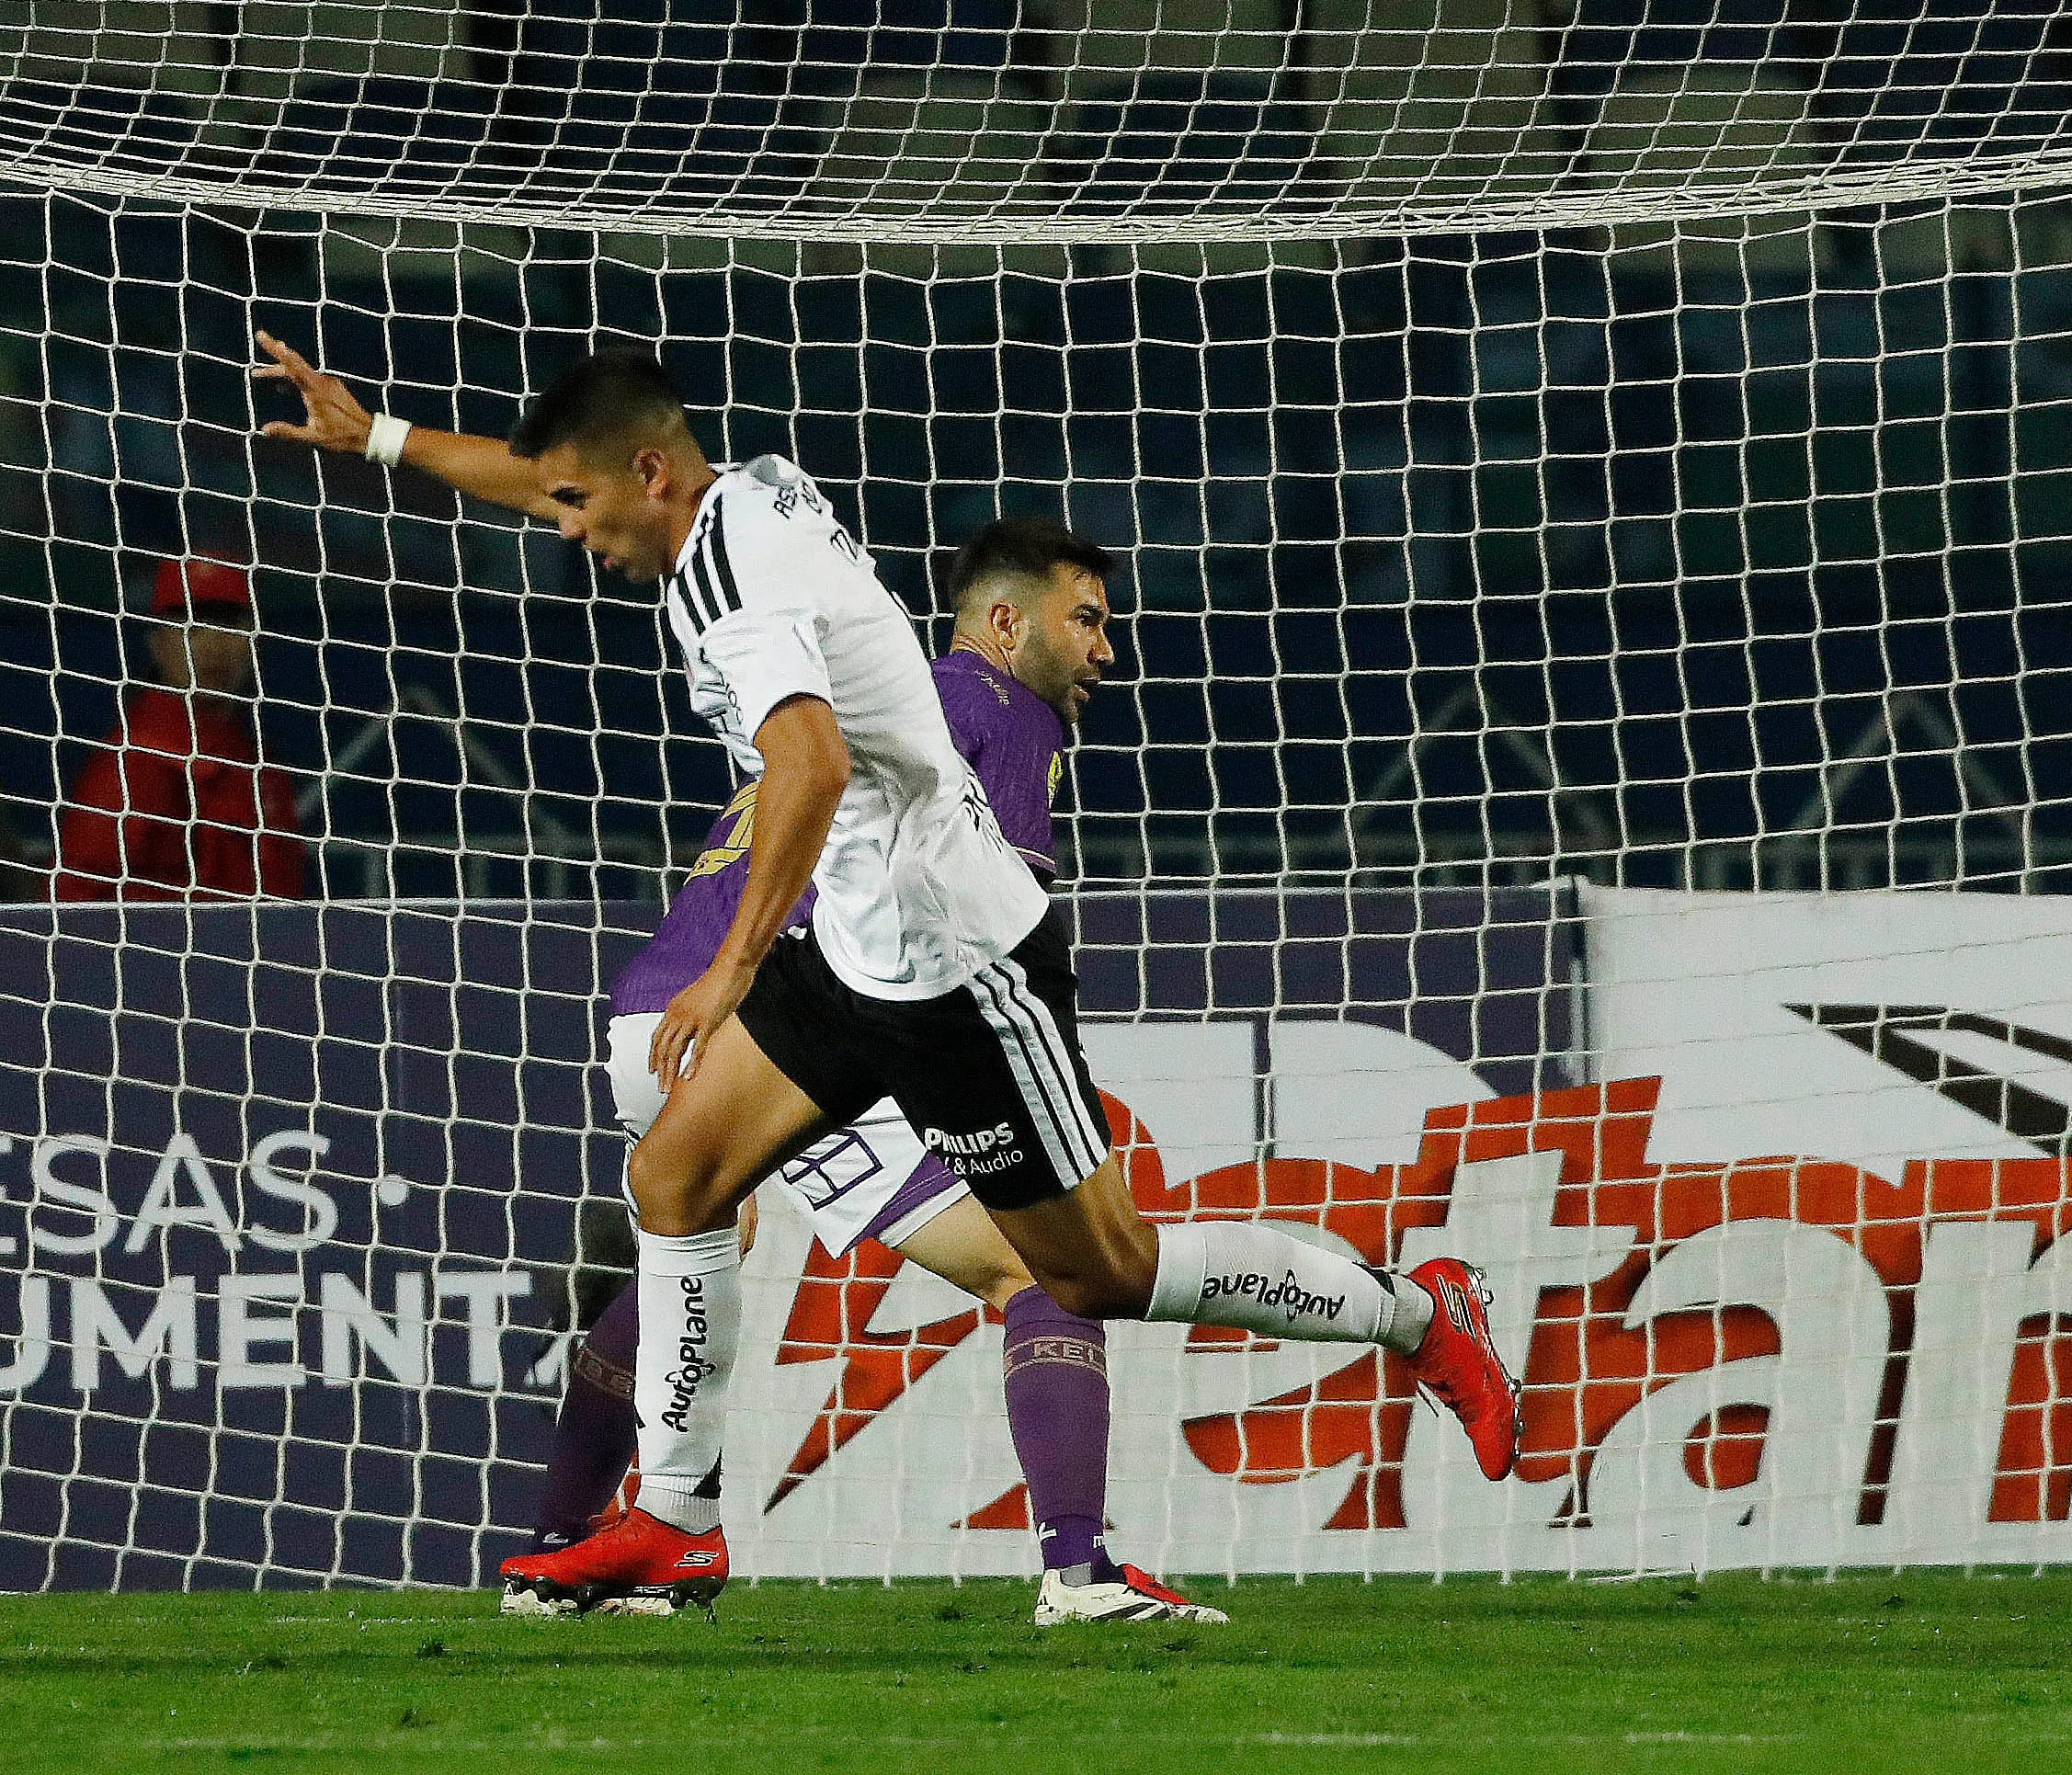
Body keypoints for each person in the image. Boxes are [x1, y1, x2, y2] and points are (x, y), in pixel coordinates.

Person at [254, 337, 1523, 1615]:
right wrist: (377, 440)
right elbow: (548, 483)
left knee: (1098, 1274)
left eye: (581, 506)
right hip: (853, 948)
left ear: (649, 474)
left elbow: (803, 765)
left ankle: (1413, 1314)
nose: (565, 530)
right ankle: (673, 1519)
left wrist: (723, 977)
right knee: (675, 1178)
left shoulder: (726, 595)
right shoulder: (749, 487)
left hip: (951, 962)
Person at [511, 516, 1225, 1626]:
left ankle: (564, 1550)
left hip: (655, 1002)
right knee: (1039, 1269)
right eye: (1085, 619)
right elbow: (989, 916)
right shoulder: (994, 702)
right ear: (1003, 620)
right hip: (771, 1004)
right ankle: (1081, 1573)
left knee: (699, 1232)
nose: (1103, 650)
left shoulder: (854, 693)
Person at [53, 557, 308, 902]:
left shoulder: (255, 759)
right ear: (158, 645)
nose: (213, 644)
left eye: (229, 625)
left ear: (255, 644)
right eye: (193, 625)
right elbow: (79, 907)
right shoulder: (134, 765)